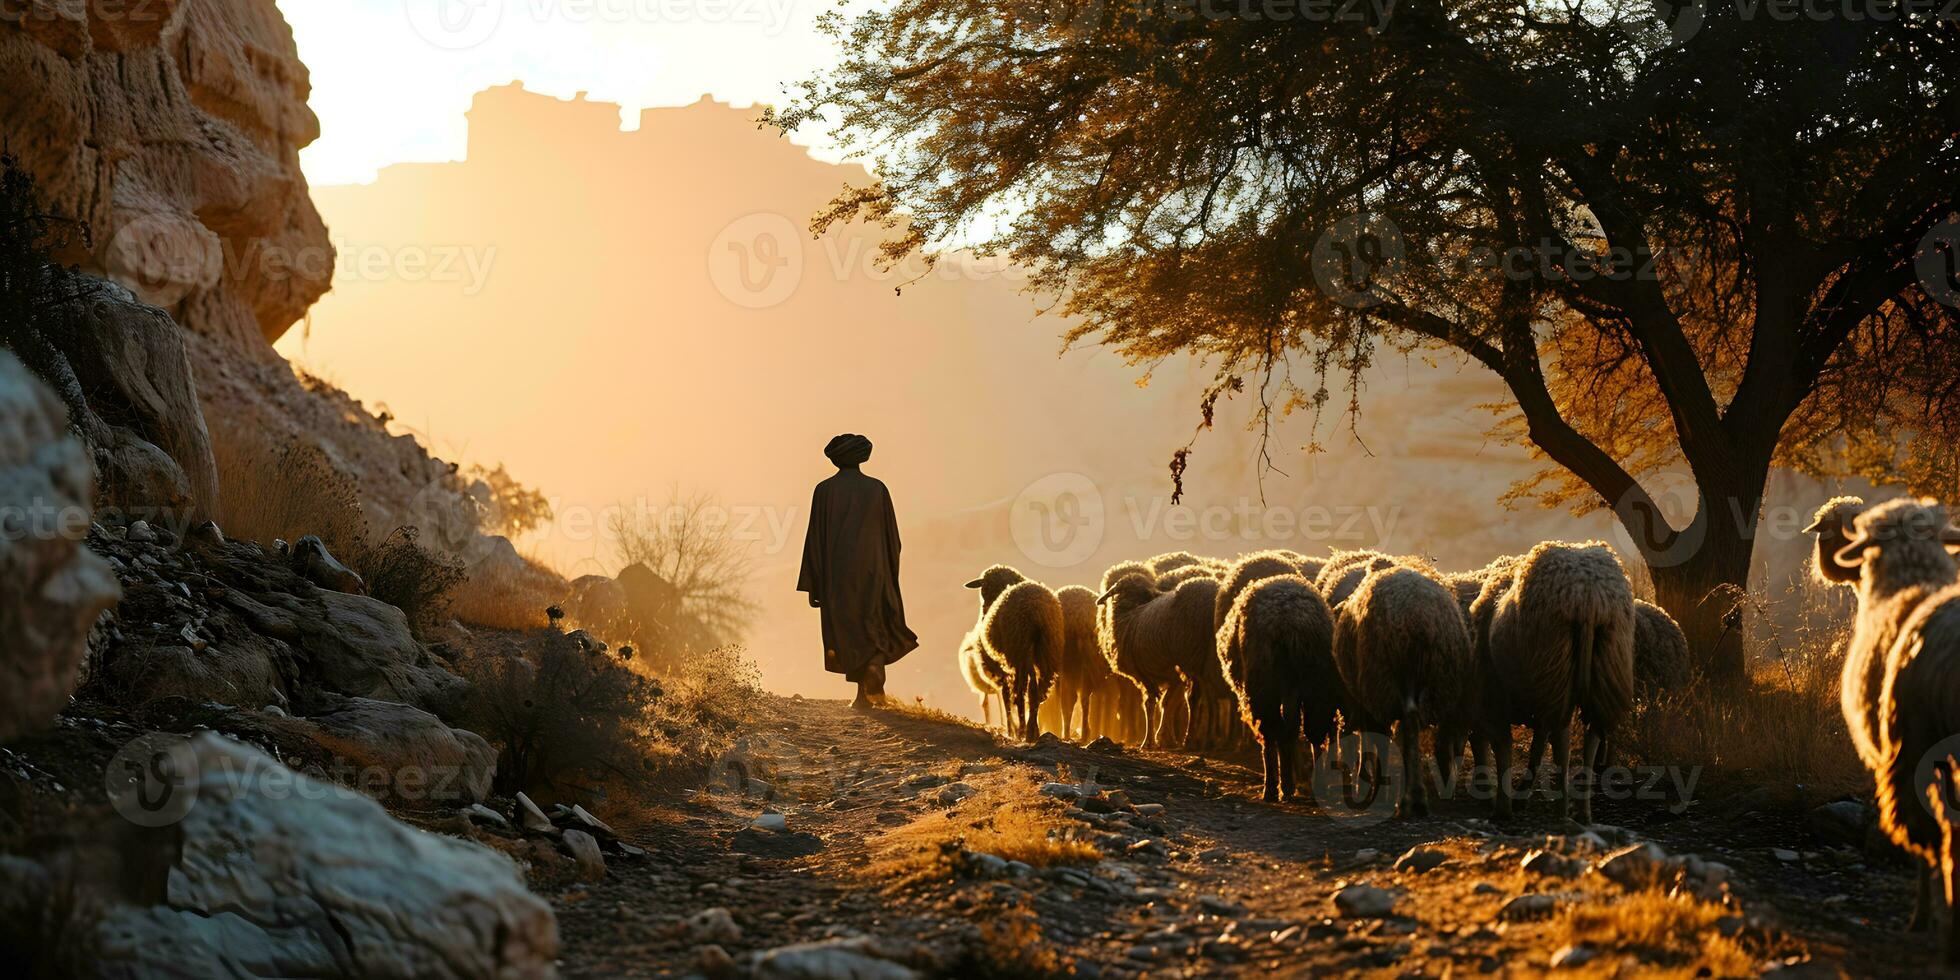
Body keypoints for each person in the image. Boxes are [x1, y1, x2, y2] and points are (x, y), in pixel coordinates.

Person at [797, 433, 919, 708]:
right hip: (874, 571)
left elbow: (815, 539)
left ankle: (863, 694)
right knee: (872, 621)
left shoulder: (824, 491)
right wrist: (887, 572)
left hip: (837, 576)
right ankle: (873, 675)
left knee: (846, 628)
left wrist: (813, 583)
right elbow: (893, 539)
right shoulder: (877, 489)